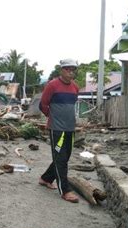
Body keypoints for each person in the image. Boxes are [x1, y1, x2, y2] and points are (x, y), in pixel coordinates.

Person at [38, 59, 80, 203]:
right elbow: (43, 104)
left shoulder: (75, 87)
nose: (70, 71)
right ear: (61, 70)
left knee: (64, 156)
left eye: (73, 69)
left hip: (70, 129)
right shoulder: (52, 85)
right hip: (57, 130)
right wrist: (52, 117)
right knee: (60, 158)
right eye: (67, 69)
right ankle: (65, 191)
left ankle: (45, 178)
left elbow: (71, 107)